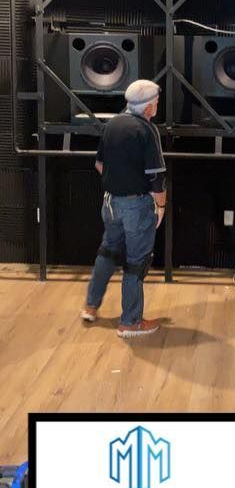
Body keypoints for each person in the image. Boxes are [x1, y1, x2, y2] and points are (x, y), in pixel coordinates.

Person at [81, 79, 166, 337]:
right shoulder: (147, 131)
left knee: (107, 251)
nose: (157, 107)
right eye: (156, 103)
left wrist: (117, 180)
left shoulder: (113, 124)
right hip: (136, 206)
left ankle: (91, 305)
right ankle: (130, 322)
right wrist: (160, 205)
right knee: (136, 262)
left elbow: (99, 164)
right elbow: (156, 177)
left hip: (110, 203)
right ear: (149, 107)